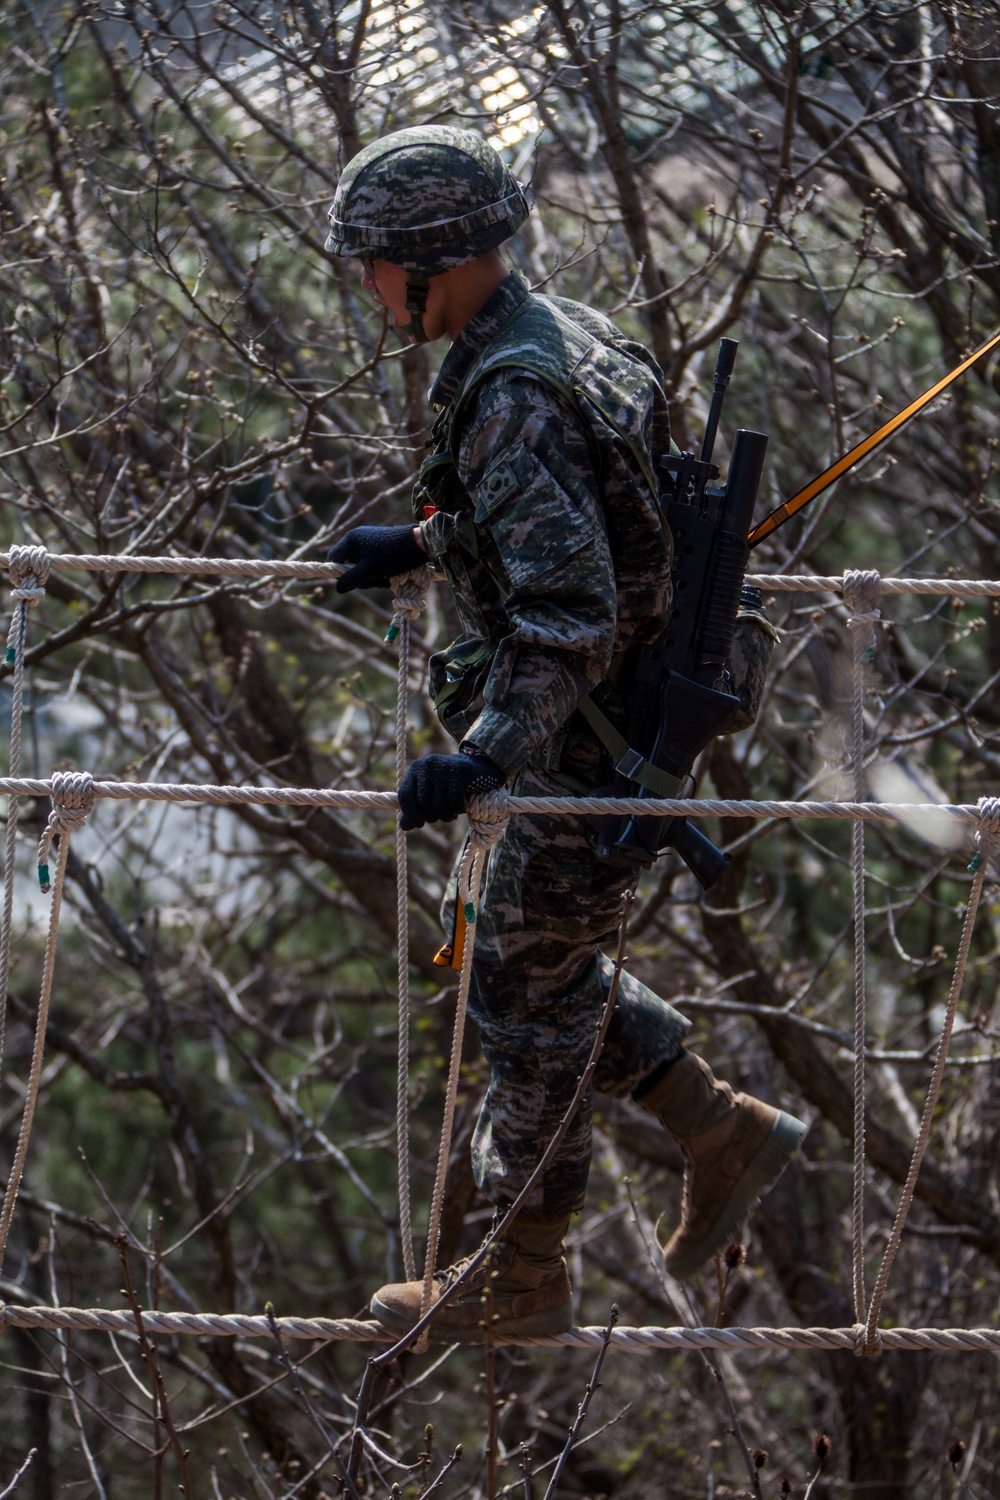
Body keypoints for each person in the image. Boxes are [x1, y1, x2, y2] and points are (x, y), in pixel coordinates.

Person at [326, 125, 805, 1341]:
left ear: (433, 259)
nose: (369, 289)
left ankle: (521, 1275)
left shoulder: (511, 393)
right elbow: (603, 516)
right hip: (626, 710)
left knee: (523, 1000)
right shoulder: (563, 336)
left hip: (588, 735)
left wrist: (488, 752)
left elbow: (568, 607)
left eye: (376, 265)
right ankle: (716, 1124)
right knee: (539, 970)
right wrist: (430, 541)